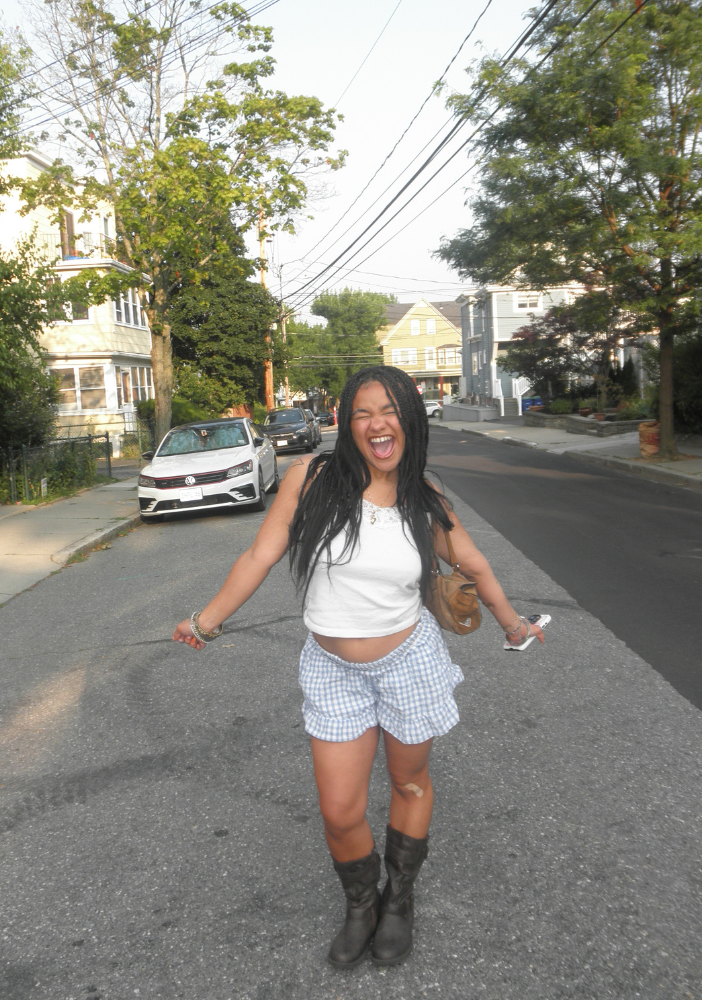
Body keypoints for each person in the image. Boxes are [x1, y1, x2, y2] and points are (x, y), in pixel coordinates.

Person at [173, 366, 545, 968]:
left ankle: (399, 899)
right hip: (331, 669)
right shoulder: (311, 479)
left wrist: (512, 622)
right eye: (365, 412)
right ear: (347, 423)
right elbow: (260, 553)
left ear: (410, 421)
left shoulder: (423, 497)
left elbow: (473, 562)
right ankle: (360, 904)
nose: (379, 423)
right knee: (340, 810)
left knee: (409, 782)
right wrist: (207, 620)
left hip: (408, 662)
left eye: (392, 410)